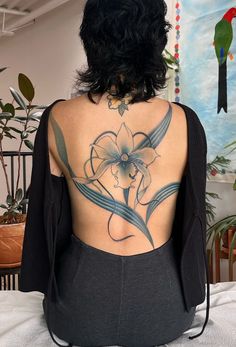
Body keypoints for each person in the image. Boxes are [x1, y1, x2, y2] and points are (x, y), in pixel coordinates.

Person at [20, 0, 209, 346]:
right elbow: (192, 220)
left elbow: (48, 217)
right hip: (164, 308)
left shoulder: (58, 118)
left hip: (81, 306)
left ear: (91, 40)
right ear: (156, 42)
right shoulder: (186, 122)